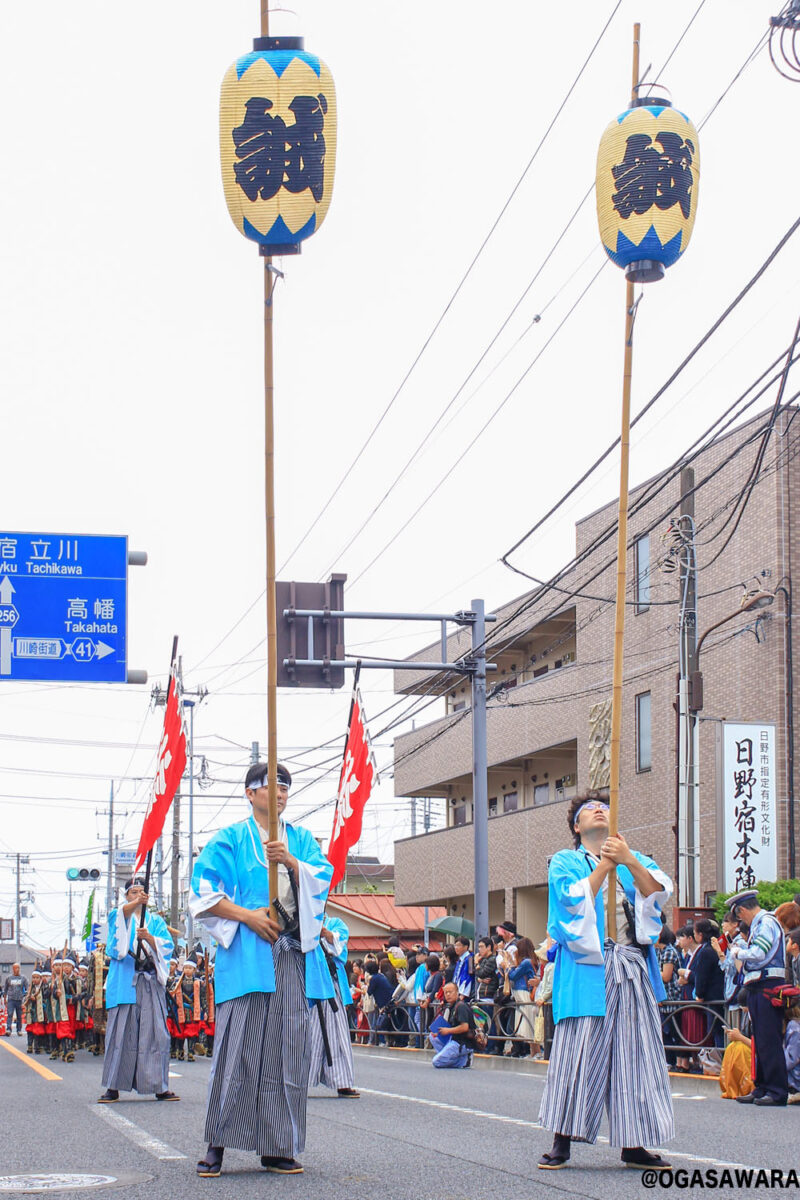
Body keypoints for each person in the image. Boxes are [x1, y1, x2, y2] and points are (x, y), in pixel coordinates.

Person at [190, 761, 333, 1178]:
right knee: (238, 1050)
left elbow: (322, 880)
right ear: (250, 793)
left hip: (290, 955)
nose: (281, 793)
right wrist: (246, 916)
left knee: (287, 1052)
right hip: (247, 955)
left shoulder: (302, 840)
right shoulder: (230, 839)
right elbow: (202, 892)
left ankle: (277, 1145)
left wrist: (290, 861)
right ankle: (216, 1142)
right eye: (270, 786)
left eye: (286, 787)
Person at [538, 793, 674, 1172]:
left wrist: (627, 859)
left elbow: (657, 893)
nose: (598, 810)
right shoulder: (566, 861)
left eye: (604, 806)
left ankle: (634, 1141)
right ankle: (561, 1139)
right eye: (587, 811)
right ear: (577, 827)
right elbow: (569, 904)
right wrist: (604, 865)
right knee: (579, 1052)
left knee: (635, 1054)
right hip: (588, 969)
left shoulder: (634, 858)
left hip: (630, 964)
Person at [98, 878, 177, 1104]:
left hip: (150, 982)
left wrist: (150, 938)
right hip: (125, 982)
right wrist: (132, 910)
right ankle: (113, 1087)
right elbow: (117, 945)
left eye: (142, 892)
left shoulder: (156, 922)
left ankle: (159, 1086)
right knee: (120, 1034)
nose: (138, 896)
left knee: (156, 1035)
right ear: (126, 896)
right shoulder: (117, 916)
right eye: (133, 892)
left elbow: (168, 947)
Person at [726, 890, 789, 1107]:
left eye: (739, 916)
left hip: (767, 985)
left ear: (742, 910)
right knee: (760, 1039)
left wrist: (737, 953)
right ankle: (762, 1086)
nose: (740, 920)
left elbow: (759, 953)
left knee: (768, 1039)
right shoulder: (761, 924)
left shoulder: (765, 923)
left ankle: (776, 1090)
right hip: (759, 986)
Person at [309, 915, 359, 1098]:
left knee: (336, 1032)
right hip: (307, 981)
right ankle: (297, 1080)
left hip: (330, 982)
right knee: (306, 1032)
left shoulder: (336, 924)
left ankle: (342, 1081)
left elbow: (339, 947)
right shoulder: (300, 920)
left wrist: (325, 933)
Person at [686, 920, 725, 1047]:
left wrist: (699, 994)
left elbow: (701, 976)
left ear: (701, 934)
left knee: (717, 1031)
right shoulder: (718, 947)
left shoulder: (705, 951)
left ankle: (721, 1062)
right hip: (722, 993)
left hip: (713, 997)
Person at [505, 935, 539, 1058]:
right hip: (525, 993)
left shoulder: (525, 962)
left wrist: (509, 966)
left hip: (524, 993)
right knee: (528, 1023)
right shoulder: (531, 960)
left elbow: (513, 975)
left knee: (528, 1023)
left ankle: (535, 1051)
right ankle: (533, 1052)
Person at [429, 981, 475, 1068]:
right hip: (453, 1038)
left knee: (436, 1062)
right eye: (446, 992)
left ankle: (463, 1061)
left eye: (451, 992)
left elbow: (465, 1027)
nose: (448, 994)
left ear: (457, 993)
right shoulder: (451, 1006)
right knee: (432, 1037)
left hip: (462, 1042)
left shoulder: (461, 1006)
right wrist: (439, 1032)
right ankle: (450, 1057)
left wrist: (448, 1031)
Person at [655, 926, 682, 1066]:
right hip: (661, 998)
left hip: (671, 997)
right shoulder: (657, 951)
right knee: (663, 1032)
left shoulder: (669, 952)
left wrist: (652, 972)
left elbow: (666, 976)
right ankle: (667, 1061)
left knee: (673, 1031)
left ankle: (677, 1062)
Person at [3, 963, 27, 1037]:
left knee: (19, 1015)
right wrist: (4, 998)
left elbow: (27, 988)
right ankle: (8, 1029)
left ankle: (19, 1030)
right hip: (11, 999)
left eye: (18, 968)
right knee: (10, 1014)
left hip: (19, 999)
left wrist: (25, 998)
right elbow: (5, 989)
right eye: (16, 968)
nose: (17, 970)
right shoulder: (9, 978)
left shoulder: (23, 978)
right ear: (13, 969)